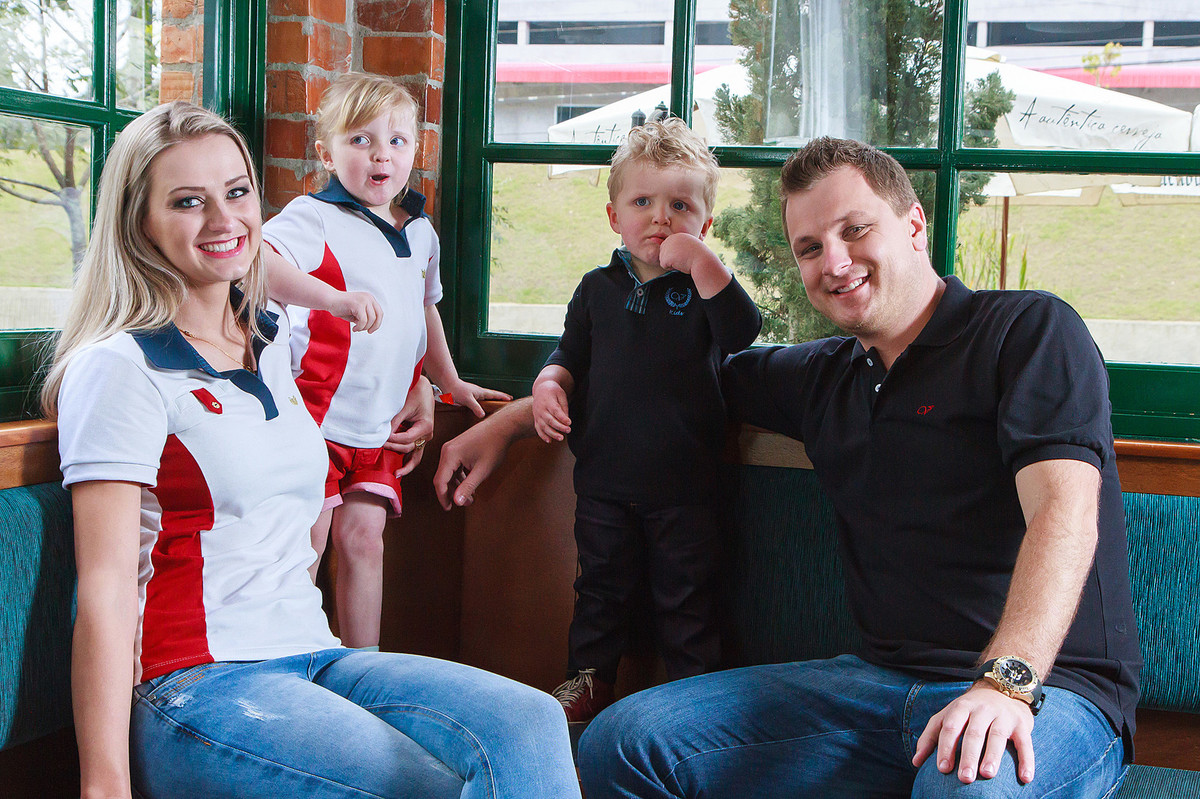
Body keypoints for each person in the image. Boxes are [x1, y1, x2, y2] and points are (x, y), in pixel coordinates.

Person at [434, 137, 1141, 798]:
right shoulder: (823, 377)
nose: (834, 261)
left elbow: (1064, 512)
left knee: (968, 785)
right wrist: (511, 420)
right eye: (810, 247)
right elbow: (654, 374)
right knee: (623, 741)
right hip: (874, 688)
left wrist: (1003, 682)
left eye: (855, 230)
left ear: (915, 225)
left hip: (1048, 693)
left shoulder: (1027, 332)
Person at [43, 100, 580, 799]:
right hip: (193, 683)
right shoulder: (120, 368)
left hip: (313, 652)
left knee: (530, 721)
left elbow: (377, 344)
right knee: (426, 785)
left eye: (237, 193)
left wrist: (420, 385)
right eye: (186, 201)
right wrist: (103, 784)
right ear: (137, 222)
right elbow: (107, 590)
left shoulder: (269, 341)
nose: (223, 220)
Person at [262, 72, 511, 649]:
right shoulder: (311, 217)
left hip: (376, 427)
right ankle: (286, 657)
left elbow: (423, 311)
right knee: (309, 543)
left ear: (415, 151)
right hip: (314, 418)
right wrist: (333, 299)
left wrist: (444, 379)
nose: (381, 154)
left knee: (364, 540)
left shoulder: (420, 232)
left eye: (397, 142)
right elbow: (258, 265)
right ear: (326, 153)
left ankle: (364, 665)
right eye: (360, 140)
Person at [530, 118, 761, 723]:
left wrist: (705, 267)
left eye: (680, 205)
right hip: (604, 482)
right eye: (643, 202)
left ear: (705, 224)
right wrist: (549, 382)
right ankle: (587, 683)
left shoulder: (706, 291)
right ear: (614, 217)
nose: (661, 218)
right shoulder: (596, 289)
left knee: (688, 600)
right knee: (599, 593)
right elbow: (569, 356)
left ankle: (695, 704)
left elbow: (743, 332)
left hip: (687, 487)